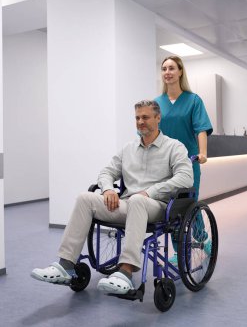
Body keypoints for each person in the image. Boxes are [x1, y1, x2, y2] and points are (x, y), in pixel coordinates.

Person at [31, 100, 193, 295]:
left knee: (138, 200)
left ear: (158, 118)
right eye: (137, 118)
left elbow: (186, 177)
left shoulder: (174, 147)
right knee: (85, 197)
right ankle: (65, 266)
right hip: (128, 204)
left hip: (157, 207)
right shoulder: (128, 148)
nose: (141, 121)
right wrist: (108, 190)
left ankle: (125, 272)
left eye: (146, 117)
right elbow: (107, 172)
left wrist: (150, 192)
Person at [155, 56, 213, 262]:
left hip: (189, 162)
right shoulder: (156, 103)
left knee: (189, 204)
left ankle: (202, 238)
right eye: (164, 69)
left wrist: (203, 153)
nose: (167, 72)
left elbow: (201, 129)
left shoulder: (193, 100)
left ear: (180, 71)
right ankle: (180, 252)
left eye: (171, 68)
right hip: (163, 164)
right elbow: (149, 132)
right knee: (172, 209)